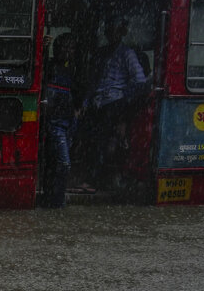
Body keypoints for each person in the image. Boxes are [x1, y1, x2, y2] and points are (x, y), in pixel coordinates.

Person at [80, 17, 147, 191]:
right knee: (89, 140)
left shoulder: (127, 53)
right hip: (97, 103)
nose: (111, 33)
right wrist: (86, 102)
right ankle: (90, 177)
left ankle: (94, 180)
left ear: (122, 32)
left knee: (102, 142)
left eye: (116, 29)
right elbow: (94, 80)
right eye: (109, 29)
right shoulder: (101, 53)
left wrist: (124, 101)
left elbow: (140, 81)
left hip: (114, 103)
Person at [41, 33, 77, 207]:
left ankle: (54, 200)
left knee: (58, 164)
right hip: (54, 124)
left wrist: (80, 109)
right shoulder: (49, 66)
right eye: (64, 47)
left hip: (69, 123)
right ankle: (57, 203)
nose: (68, 51)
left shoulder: (73, 70)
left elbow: (80, 92)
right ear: (57, 50)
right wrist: (44, 49)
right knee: (63, 163)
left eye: (71, 48)